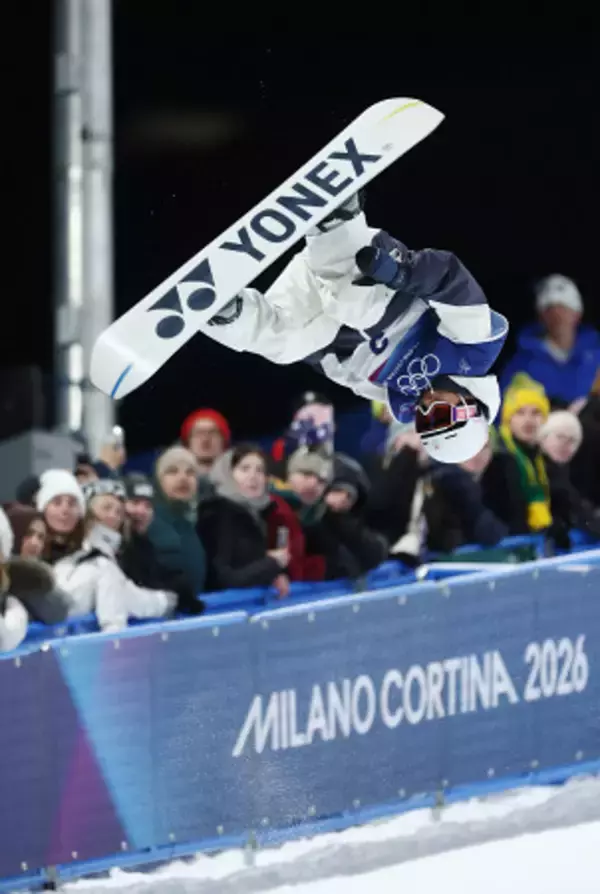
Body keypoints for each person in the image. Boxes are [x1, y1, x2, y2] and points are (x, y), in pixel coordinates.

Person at [201, 192, 508, 464]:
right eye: (440, 415)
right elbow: (449, 279)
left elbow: (339, 368)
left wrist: (302, 344)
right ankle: (335, 218)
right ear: (471, 405)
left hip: (325, 305)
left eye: (424, 421)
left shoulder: (394, 396)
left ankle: (222, 311)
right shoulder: (475, 347)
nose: (426, 409)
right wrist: (402, 273)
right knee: (358, 307)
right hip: (373, 274)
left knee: (284, 348)